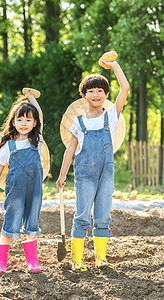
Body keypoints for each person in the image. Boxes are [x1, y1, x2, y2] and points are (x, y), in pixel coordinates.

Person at [56, 58, 129, 271]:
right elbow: (70, 149)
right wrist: (62, 175)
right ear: (84, 95)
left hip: (106, 173)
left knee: (103, 216)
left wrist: (114, 65)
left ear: (106, 94)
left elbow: (125, 87)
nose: (95, 94)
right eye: (90, 91)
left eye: (100, 91)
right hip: (84, 174)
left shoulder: (112, 116)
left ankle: (100, 259)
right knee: (82, 216)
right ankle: (77, 259)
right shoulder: (79, 122)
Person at [0, 89, 44, 274]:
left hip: (34, 190)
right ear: (13, 122)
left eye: (28, 120)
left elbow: (40, 113)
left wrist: (31, 98)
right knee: (11, 219)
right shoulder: (8, 146)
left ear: (35, 123)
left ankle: (32, 262)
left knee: (32, 222)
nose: (24, 123)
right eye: (20, 119)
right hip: (15, 191)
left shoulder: (37, 141)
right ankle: (1, 262)